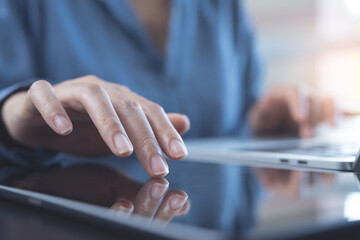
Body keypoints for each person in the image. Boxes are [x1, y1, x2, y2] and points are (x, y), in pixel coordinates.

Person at [0, 0, 339, 178]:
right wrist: (10, 119)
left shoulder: (225, 6)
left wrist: (262, 120)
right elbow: (13, 109)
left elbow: (238, 117)